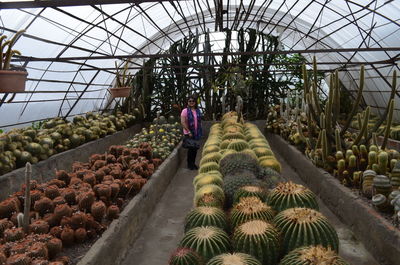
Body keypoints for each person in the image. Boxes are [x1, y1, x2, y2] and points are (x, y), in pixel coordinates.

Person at [181, 95, 202, 170]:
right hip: (189, 132)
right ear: (187, 102)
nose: (191, 102)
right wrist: (188, 131)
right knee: (191, 149)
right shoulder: (185, 111)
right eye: (190, 101)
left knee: (195, 149)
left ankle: (193, 163)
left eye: (193, 101)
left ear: (195, 102)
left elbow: (199, 121)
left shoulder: (197, 110)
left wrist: (200, 130)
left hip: (196, 132)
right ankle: (189, 164)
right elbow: (183, 122)